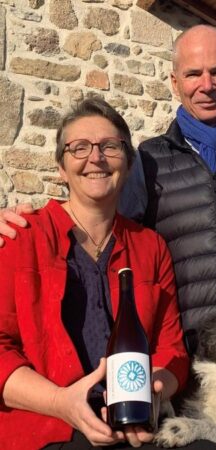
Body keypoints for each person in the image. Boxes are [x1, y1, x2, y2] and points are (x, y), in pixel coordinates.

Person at [1, 23, 216, 444]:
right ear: (175, 81)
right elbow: (91, 209)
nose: (207, 85)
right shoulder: (149, 162)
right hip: (198, 372)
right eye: (194, 74)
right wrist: (12, 220)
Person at [0, 97, 198, 450]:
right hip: (48, 429)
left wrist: (155, 389)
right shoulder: (20, 236)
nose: (96, 158)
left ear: (128, 161)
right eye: (79, 148)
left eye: (110, 146)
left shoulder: (150, 247)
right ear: (61, 167)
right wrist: (61, 402)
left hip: (137, 427)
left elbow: (172, 350)